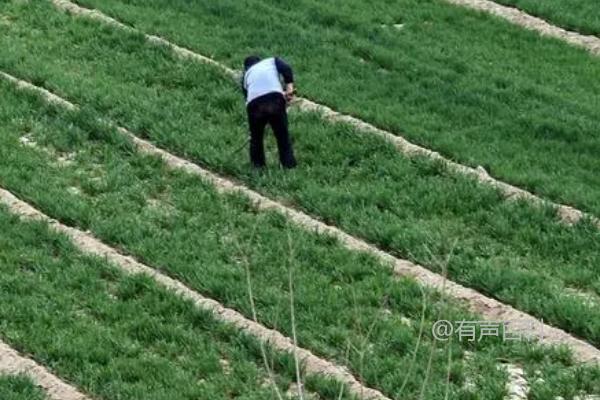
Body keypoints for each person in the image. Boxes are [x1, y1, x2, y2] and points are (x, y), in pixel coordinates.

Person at [241, 55, 297, 169]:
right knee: (282, 135)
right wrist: (289, 88)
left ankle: (258, 168)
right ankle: (288, 165)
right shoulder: (271, 61)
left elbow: (248, 97)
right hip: (275, 98)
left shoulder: (246, 76)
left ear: (246, 67)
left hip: (255, 105)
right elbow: (286, 68)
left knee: (256, 139)